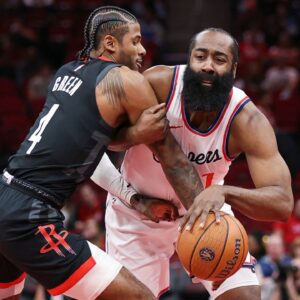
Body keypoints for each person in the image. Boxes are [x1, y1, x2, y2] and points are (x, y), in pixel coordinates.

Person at [0, 6, 206, 300]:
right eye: (135, 41)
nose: (143, 49)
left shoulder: (66, 73)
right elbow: (171, 157)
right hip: (28, 216)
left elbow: (89, 149)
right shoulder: (124, 80)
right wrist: (207, 216)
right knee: (140, 297)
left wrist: (133, 144)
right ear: (110, 43)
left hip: (6, 194)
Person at [91, 28, 294, 299]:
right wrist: (135, 134)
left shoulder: (247, 120)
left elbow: (281, 203)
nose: (208, 66)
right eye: (200, 57)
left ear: (233, 70)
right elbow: (96, 139)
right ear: (189, 61)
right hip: (136, 211)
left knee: (244, 295)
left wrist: (225, 192)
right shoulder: (158, 84)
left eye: (219, 59)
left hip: (203, 211)